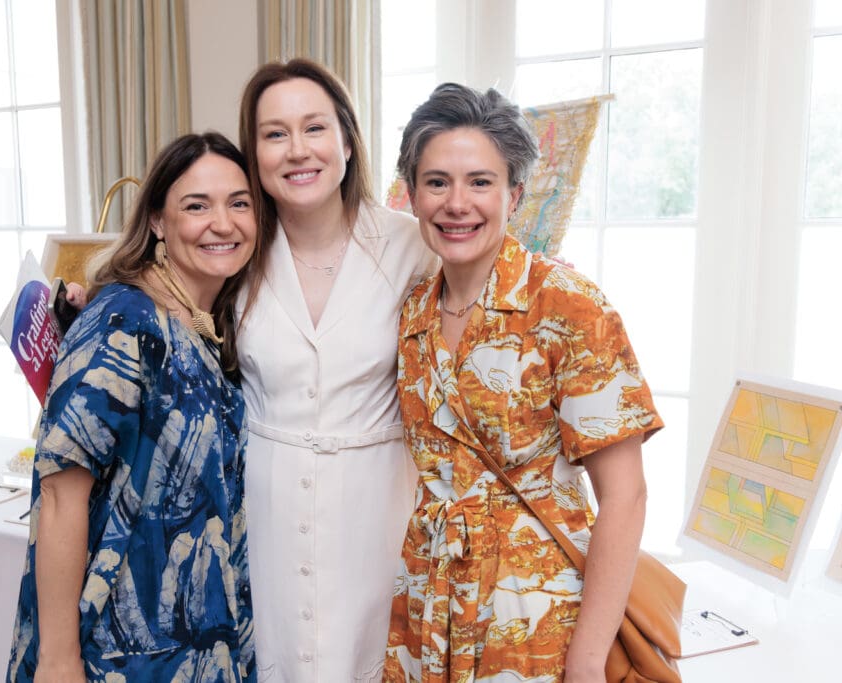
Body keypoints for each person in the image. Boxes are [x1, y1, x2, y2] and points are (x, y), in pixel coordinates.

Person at [382, 83, 663, 682]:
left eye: (480, 182)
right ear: (412, 195)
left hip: (536, 618)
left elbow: (626, 496)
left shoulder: (566, 304)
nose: (457, 203)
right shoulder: (412, 312)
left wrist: (587, 661)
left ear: (514, 193)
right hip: (428, 605)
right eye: (437, 182)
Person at [7, 132, 260, 683]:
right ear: (157, 222)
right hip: (116, 650)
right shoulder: (125, 321)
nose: (223, 223)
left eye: (239, 203)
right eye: (197, 206)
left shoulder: (207, 321)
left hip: (196, 641)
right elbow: (60, 495)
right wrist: (58, 660)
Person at [235, 59, 438, 681]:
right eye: (275, 134)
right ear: (255, 155)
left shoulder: (414, 245)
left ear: (348, 141)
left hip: (378, 511)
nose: (298, 150)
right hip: (264, 513)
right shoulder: (233, 248)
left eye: (315, 127)